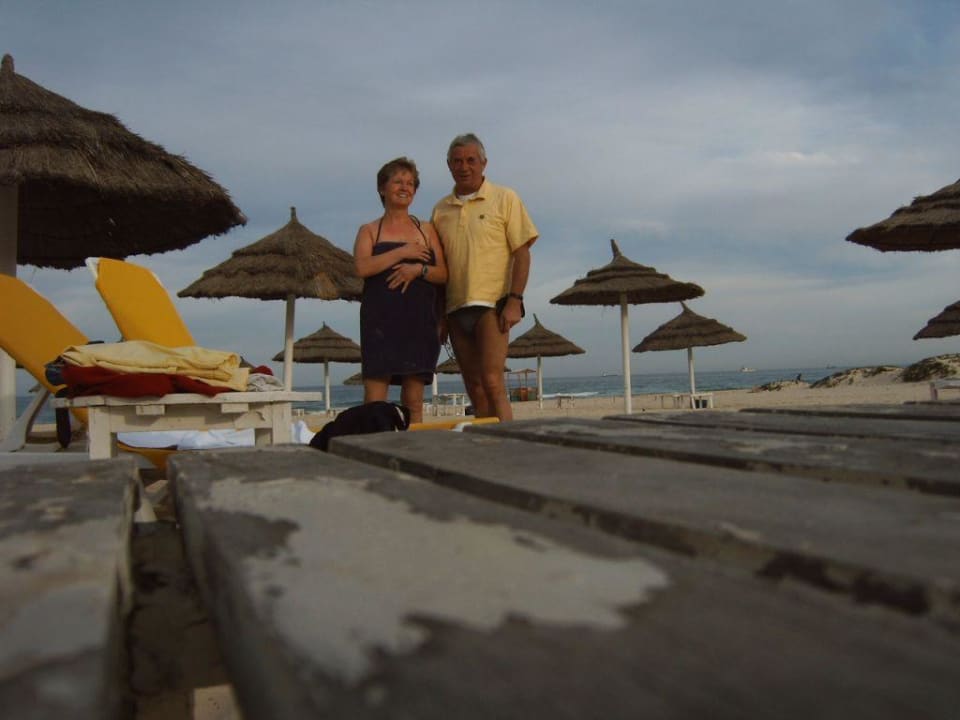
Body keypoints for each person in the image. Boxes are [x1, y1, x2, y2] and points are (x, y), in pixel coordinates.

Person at [431, 133, 538, 421]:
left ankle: (508, 442)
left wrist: (515, 301)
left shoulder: (505, 198)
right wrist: (440, 316)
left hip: (492, 305)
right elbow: (439, 267)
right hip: (455, 309)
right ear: (449, 165)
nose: (464, 167)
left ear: (483, 163)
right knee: (474, 388)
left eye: (471, 160)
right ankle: (485, 441)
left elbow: (522, 253)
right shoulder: (440, 210)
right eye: (457, 161)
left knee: (492, 382)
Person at [354, 157, 448, 424]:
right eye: (397, 182)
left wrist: (418, 270)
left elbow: (443, 274)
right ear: (382, 188)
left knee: (414, 401)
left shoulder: (426, 230)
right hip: (380, 323)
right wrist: (403, 252)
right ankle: (375, 445)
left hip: (419, 321)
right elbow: (362, 267)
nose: (405, 187)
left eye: (410, 183)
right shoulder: (369, 230)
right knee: (374, 400)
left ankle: (414, 447)